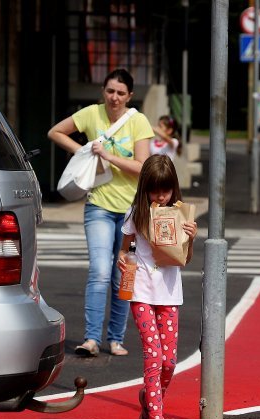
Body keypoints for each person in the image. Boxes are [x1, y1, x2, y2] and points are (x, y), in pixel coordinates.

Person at [48, 69, 153, 357]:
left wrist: (109, 157)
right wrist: (84, 151)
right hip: (99, 206)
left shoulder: (139, 121)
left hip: (132, 212)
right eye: (110, 91)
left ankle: (116, 339)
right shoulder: (92, 114)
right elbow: (55, 132)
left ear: (129, 96)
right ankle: (92, 339)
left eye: (120, 93)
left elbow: (144, 166)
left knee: (123, 276)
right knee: (99, 272)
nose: (114, 97)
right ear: (103, 91)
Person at [118, 155, 197, 419]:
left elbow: (184, 260)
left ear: (174, 188)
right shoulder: (136, 213)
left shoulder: (181, 215)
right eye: (154, 190)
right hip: (141, 292)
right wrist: (123, 263)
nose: (160, 196)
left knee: (170, 361)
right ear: (145, 189)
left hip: (169, 294)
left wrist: (191, 239)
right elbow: (124, 251)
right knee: (153, 355)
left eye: (165, 190)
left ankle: (150, 403)